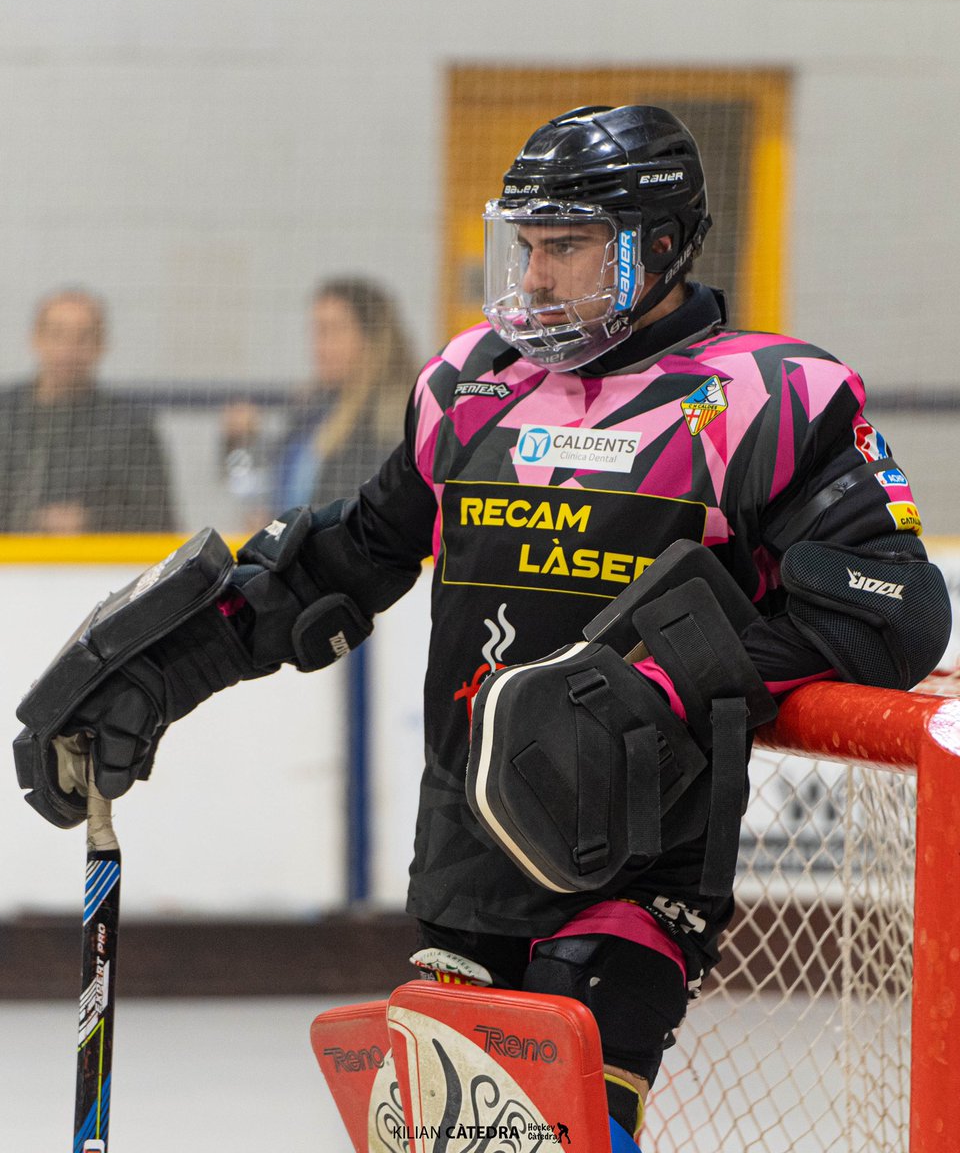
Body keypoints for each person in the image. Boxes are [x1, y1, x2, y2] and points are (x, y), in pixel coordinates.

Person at [14, 107, 952, 1151]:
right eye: (530, 246)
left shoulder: (773, 397)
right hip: (470, 847)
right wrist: (156, 684)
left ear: (661, 245)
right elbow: (339, 565)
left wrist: (655, 685)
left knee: (562, 1119)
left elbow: (892, 610)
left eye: (570, 248)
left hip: (642, 856)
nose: (537, 278)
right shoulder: (471, 384)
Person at [221, 277, 417, 527]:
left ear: (372, 338)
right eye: (315, 331)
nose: (319, 346)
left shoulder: (393, 421)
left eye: (332, 331)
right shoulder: (314, 409)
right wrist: (244, 441)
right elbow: (273, 482)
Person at [0, 287, 176, 533]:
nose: (68, 350)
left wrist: (92, 522)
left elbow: (159, 520)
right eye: (57, 334)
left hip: (101, 567)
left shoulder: (129, 427)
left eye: (82, 337)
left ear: (101, 345)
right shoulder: (6, 415)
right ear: (35, 339)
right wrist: (31, 520)